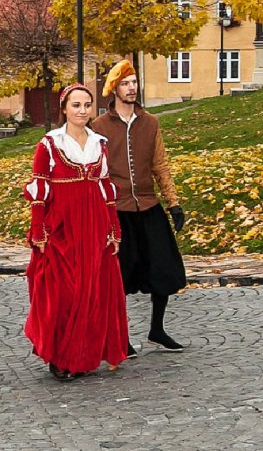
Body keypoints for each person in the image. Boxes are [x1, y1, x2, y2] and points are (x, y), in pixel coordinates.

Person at [23, 84, 129, 380]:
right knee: (64, 293)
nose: (82, 111)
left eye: (87, 105)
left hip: (94, 226)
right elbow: (39, 190)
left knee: (91, 292)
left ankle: (81, 356)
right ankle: (60, 356)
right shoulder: (49, 144)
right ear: (64, 108)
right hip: (62, 227)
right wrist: (38, 231)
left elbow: (106, 190)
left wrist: (114, 229)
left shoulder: (100, 143)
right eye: (76, 105)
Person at [92, 60, 187, 355]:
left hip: (148, 205)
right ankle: (120, 336)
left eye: (134, 82)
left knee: (163, 267)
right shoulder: (99, 127)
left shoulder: (150, 123)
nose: (131, 88)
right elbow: (95, 171)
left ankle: (157, 329)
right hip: (117, 210)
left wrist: (173, 203)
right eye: (125, 83)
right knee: (119, 276)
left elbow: (160, 164)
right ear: (114, 89)